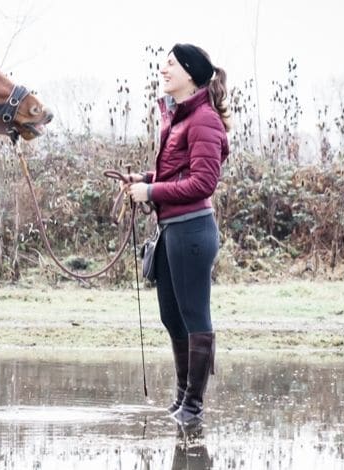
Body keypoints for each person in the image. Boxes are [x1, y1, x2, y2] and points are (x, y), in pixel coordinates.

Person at [123, 43, 230, 426]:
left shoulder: (203, 120)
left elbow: (203, 183)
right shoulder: (179, 117)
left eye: (171, 64)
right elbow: (176, 175)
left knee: (194, 316)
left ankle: (194, 407)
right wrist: (145, 180)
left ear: (189, 73)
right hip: (172, 231)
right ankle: (183, 399)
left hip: (193, 233)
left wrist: (150, 192)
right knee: (172, 317)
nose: (163, 69)